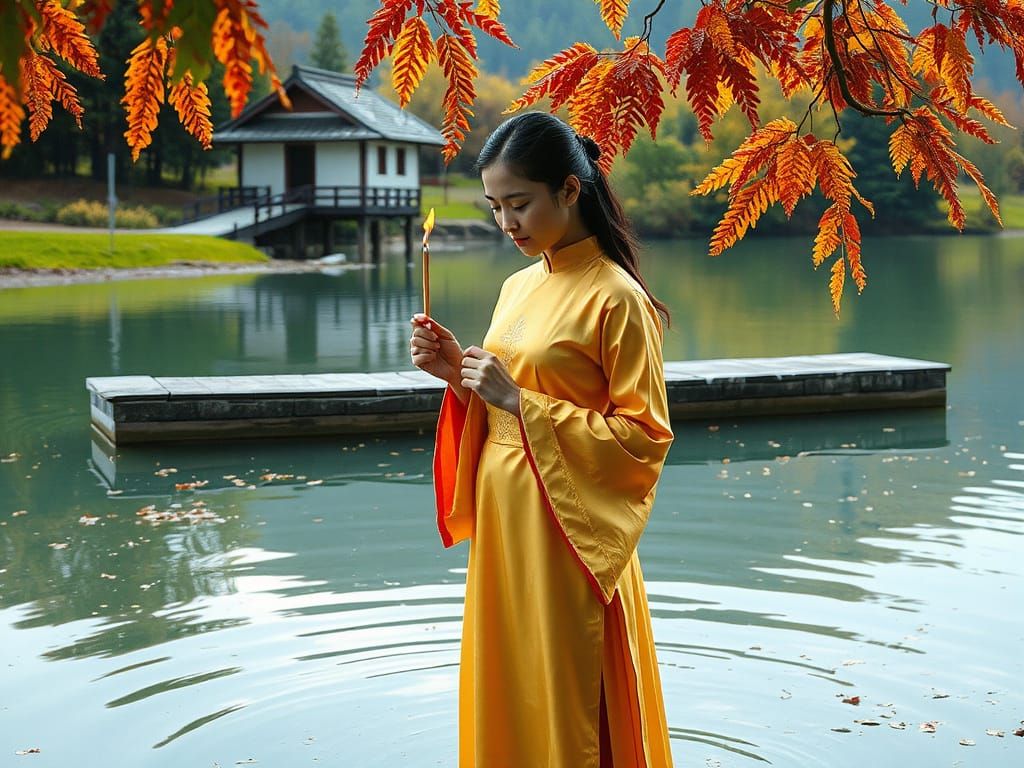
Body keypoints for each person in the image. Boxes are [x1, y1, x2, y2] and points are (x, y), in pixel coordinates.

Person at [409, 111, 675, 768]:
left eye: (520, 203)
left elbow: (644, 440)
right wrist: (458, 378)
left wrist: (519, 401)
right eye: (496, 206)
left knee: (567, 686)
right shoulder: (516, 285)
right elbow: (502, 402)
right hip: (508, 525)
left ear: (570, 189)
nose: (507, 224)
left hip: (571, 531)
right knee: (511, 674)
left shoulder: (617, 299)